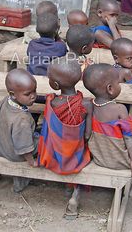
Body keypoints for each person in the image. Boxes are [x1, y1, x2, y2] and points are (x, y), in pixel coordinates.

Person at [83, 63, 132, 198]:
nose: (120, 85)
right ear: (110, 89)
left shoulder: (91, 105)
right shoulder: (120, 109)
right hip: (119, 160)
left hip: (99, 157)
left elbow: (88, 134)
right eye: (118, 83)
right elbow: (128, 137)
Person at [38, 57, 92, 217]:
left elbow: (48, 128)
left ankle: (69, 186)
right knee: (85, 147)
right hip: (76, 154)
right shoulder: (86, 104)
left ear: (54, 84)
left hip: (54, 154)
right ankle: (75, 190)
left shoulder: (51, 102)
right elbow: (88, 135)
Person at [0, 68, 38, 193]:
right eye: (28, 94)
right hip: (15, 154)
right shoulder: (22, 119)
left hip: (2, 146)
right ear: (13, 94)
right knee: (45, 140)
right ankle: (21, 179)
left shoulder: (5, 101)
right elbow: (23, 146)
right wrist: (31, 162)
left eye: (34, 91)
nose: (33, 96)